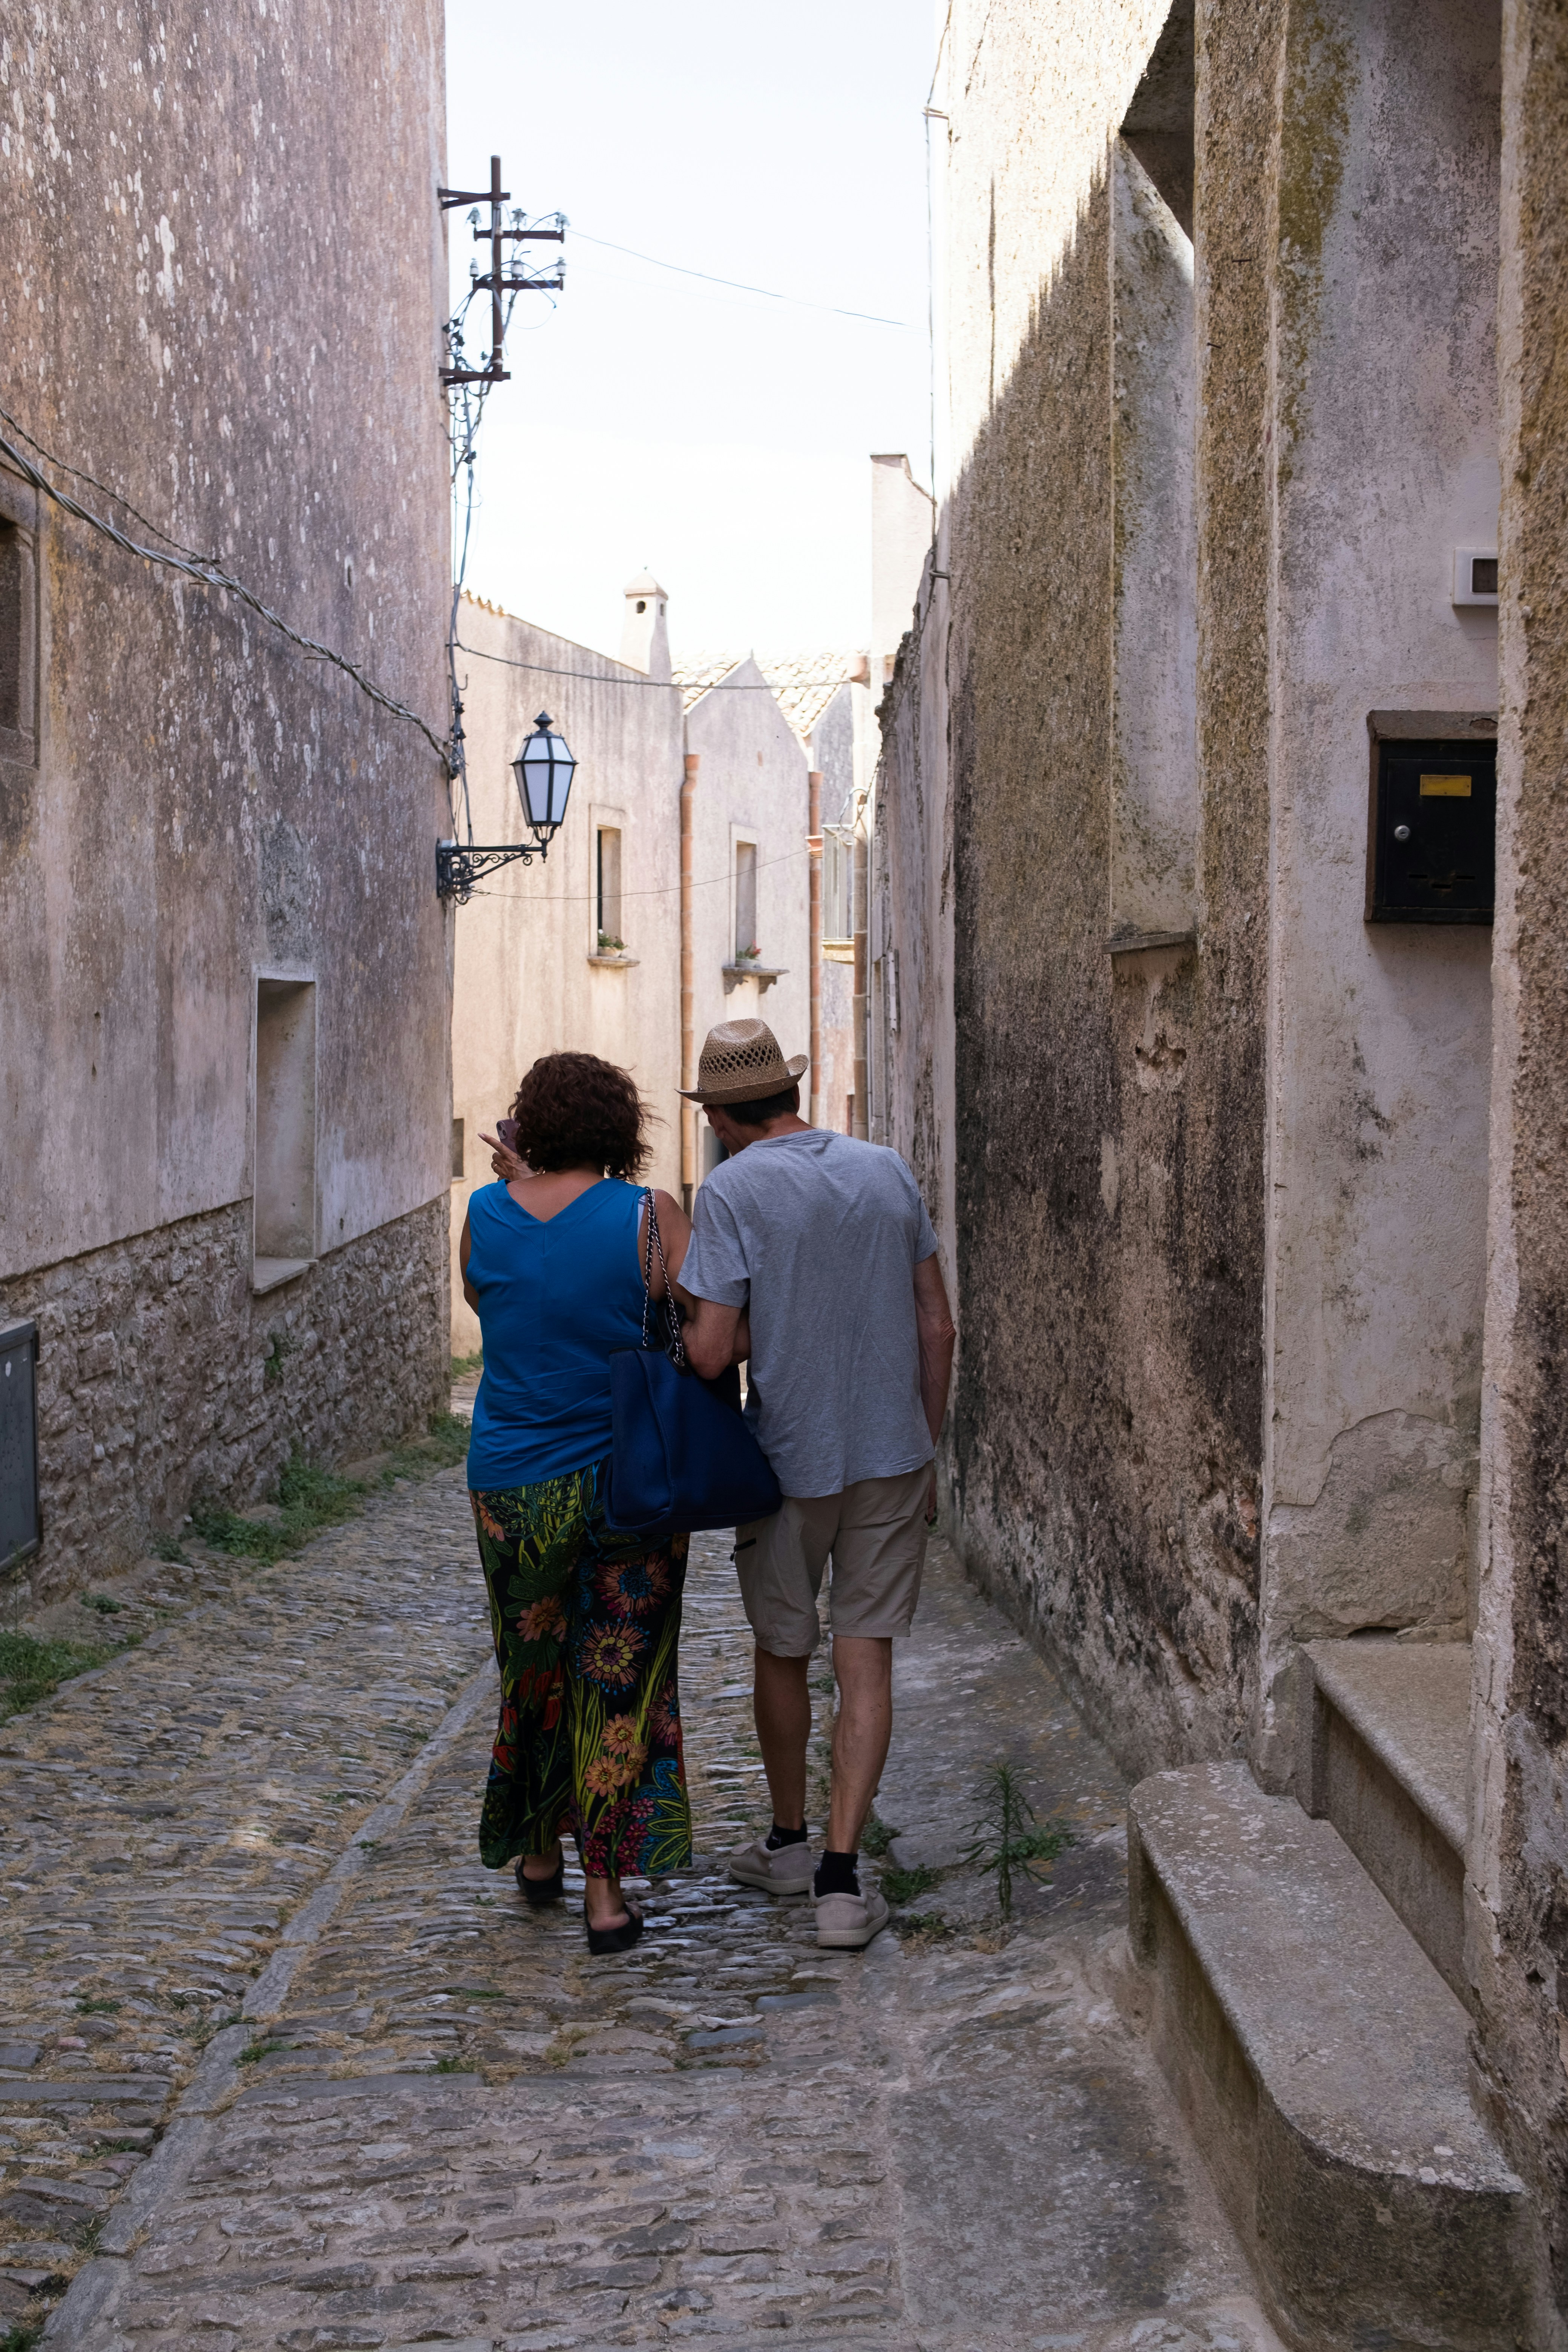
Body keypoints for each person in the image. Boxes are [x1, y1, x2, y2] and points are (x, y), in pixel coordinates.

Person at [674, 1017, 956, 1950]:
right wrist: (928, 1442)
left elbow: (712, 1350)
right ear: (789, 1091)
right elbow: (936, 1324)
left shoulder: (730, 1190)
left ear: (719, 1113)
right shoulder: (885, 1169)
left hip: (790, 1460)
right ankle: (842, 1883)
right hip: (891, 1449)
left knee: (783, 1648)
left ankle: (789, 1842)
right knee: (864, 1655)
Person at [460, 1051, 694, 1956]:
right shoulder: (649, 1216)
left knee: (530, 1667)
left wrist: (522, 1193)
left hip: (511, 1479)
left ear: (530, 1124)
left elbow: (490, 1300)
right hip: (626, 1478)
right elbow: (703, 1331)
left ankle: (533, 1853)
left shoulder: (484, 1214)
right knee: (620, 1676)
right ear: (621, 1129)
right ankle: (606, 1895)